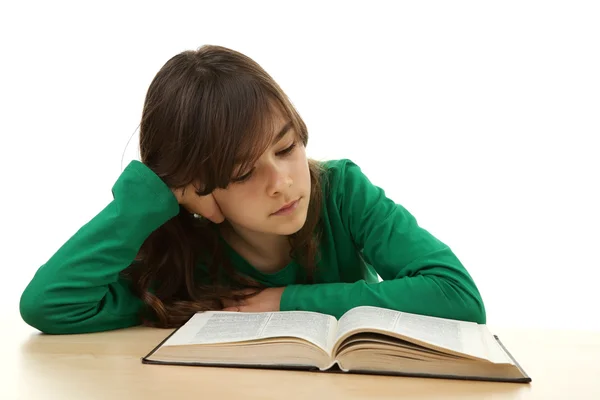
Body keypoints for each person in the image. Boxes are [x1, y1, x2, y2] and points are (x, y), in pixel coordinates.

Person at [19, 44, 486, 335]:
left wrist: (286, 303)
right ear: (196, 190)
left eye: (286, 148)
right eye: (243, 174)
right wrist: (150, 194)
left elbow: (457, 297)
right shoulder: (186, 255)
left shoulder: (342, 190)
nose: (282, 184)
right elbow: (51, 304)